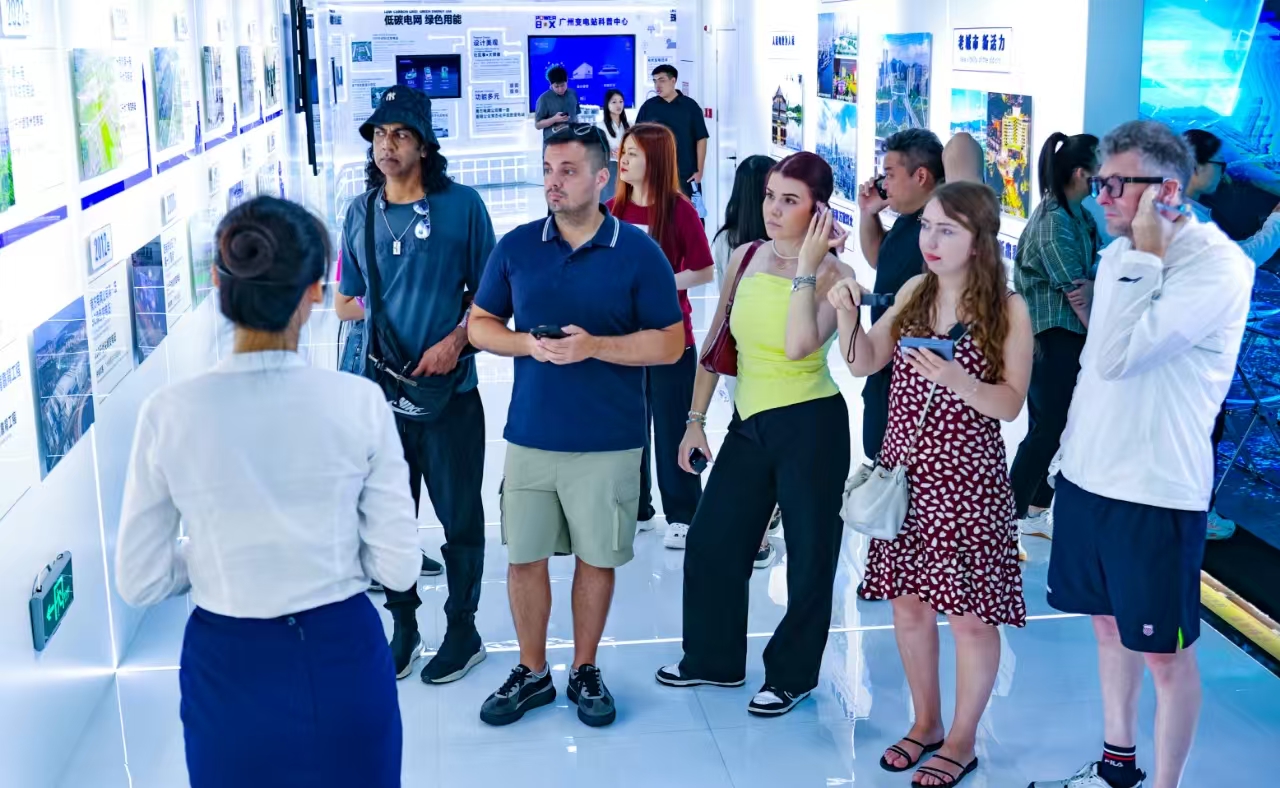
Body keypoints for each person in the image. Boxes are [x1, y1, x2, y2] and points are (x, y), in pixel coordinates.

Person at [115, 197, 421, 788]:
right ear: (314, 290)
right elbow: (399, 565)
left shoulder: (170, 412)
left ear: (216, 283)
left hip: (228, 663)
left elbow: (141, 577)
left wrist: (217, 555)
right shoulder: (357, 403)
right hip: (343, 654)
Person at [1031, 121, 1254, 788]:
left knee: (1164, 656)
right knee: (1106, 627)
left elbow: (1117, 356)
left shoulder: (1216, 265)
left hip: (1156, 491)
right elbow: (1095, 380)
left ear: (1167, 191)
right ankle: (1117, 763)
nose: (1100, 197)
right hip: (1091, 478)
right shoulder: (1123, 253)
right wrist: (1066, 456)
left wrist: (1145, 256)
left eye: (1113, 185)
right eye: (1099, 183)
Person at [468, 123, 684, 729]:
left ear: (601, 178)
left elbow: (669, 344)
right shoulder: (516, 246)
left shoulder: (639, 252)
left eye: (567, 171)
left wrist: (596, 348)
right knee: (524, 559)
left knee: (597, 559)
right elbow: (480, 323)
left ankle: (584, 668)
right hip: (531, 435)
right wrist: (523, 345)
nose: (553, 182)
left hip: (609, 439)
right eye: (547, 170)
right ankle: (532, 672)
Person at [831, 182, 1033, 787]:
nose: (932, 241)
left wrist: (956, 379)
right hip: (906, 476)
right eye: (927, 227)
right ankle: (927, 722)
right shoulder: (917, 292)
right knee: (909, 605)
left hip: (967, 483)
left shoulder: (1007, 308)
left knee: (971, 616)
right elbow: (864, 360)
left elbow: (1011, 403)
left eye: (948, 230)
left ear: (980, 240)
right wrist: (846, 311)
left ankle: (964, 739)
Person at [655, 152, 854, 718]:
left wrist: (811, 265)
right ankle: (713, 659)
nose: (773, 208)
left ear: (817, 209)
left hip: (810, 423)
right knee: (713, 540)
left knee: (812, 558)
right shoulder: (744, 257)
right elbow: (717, 344)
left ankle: (792, 676)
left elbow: (797, 346)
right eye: (770, 195)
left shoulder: (836, 275)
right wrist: (694, 421)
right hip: (749, 422)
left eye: (790, 200)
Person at [334, 85, 496, 684]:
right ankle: (404, 626)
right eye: (379, 134)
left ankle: (464, 629)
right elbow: (347, 301)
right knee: (392, 520)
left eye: (400, 134)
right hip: (383, 399)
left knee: (460, 519)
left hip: (451, 395)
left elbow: (493, 297)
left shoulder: (463, 207)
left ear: (424, 145)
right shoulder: (360, 213)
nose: (387, 146)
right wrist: (378, 316)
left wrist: (456, 339)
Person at [607, 122, 715, 549]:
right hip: (622, 339)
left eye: (632, 152)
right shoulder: (613, 211)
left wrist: (660, 282)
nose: (623, 159)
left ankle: (684, 514)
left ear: (656, 159)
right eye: (623, 152)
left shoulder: (679, 210)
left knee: (672, 425)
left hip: (671, 338)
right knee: (629, 423)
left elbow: (705, 270)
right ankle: (638, 507)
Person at [1182, 128, 1280, 540]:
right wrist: (1276, 222)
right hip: (1196, 349)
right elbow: (1239, 260)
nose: (1225, 175)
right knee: (1204, 431)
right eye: (1219, 167)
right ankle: (1197, 516)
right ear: (1198, 167)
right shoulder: (1187, 217)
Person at [1008, 133, 1101, 542]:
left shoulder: (1077, 214)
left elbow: (1092, 276)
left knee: (1051, 426)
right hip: (1054, 336)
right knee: (1049, 428)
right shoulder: (1054, 224)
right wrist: (1101, 336)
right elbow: (1078, 292)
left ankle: (1033, 509)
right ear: (1081, 172)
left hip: (1064, 335)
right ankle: (1007, 514)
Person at [712, 154, 785, 566]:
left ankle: (759, 525)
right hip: (773, 359)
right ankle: (758, 530)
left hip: (737, 356)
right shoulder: (773, 250)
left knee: (751, 441)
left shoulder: (726, 240)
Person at [857, 129, 944, 464]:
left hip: (911, 369)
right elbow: (879, 257)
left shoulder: (937, 228)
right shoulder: (911, 221)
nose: (884, 183)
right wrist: (869, 213)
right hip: (885, 360)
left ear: (921, 175)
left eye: (890, 175)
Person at [636, 64, 709, 198]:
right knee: (658, 215)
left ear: (673, 80)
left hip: (685, 173)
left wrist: (699, 170)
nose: (657, 85)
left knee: (688, 214)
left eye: (662, 80)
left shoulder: (690, 107)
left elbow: (701, 139)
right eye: (655, 81)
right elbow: (637, 139)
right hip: (656, 172)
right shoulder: (648, 107)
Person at [599, 88, 630, 202]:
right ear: (607, 105)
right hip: (609, 166)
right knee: (609, 200)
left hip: (627, 166)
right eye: (614, 102)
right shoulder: (600, 126)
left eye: (621, 101)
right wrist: (608, 151)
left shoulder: (629, 125)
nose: (618, 105)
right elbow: (596, 150)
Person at [533, 65, 579, 139]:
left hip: (572, 140)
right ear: (550, 84)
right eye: (556, 86)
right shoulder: (543, 99)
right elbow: (537, 125)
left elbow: (576, 117)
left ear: (567, 81)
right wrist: (554, 119)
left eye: (563, 85)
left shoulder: (573, 94)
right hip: (553, 143)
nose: (560, 89)